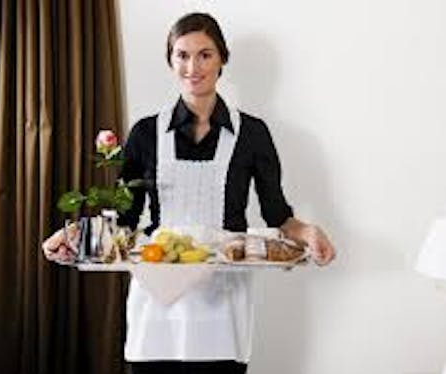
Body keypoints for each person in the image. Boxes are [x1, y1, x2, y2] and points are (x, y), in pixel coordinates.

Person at [118, 12, 335, 374]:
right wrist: (76, 237)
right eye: (182, 55)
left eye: (205, 54)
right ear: (170, 60)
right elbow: (124, 218)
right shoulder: (144, 133)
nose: (193, 66)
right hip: (157, 298)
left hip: (222, 299)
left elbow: (277, 215)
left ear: (222, 59)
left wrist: (309, 232)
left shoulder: (252, 133)